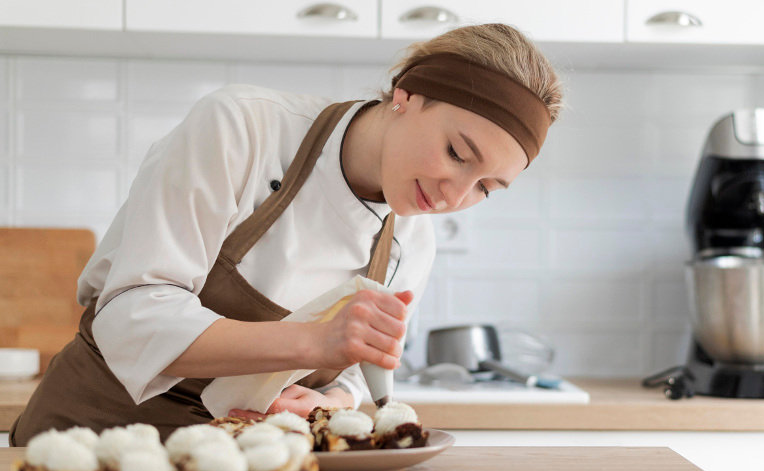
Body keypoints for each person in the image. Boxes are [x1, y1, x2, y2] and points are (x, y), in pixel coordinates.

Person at [10, 23, 563, 445]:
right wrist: (313, 342)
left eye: (486, 187)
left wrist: (318, 397)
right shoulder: (241, 128)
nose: (453, 195)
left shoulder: (410, 242)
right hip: (92, 441)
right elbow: (129, 320)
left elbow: (349, 375)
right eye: (456, 153)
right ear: (406, 94)